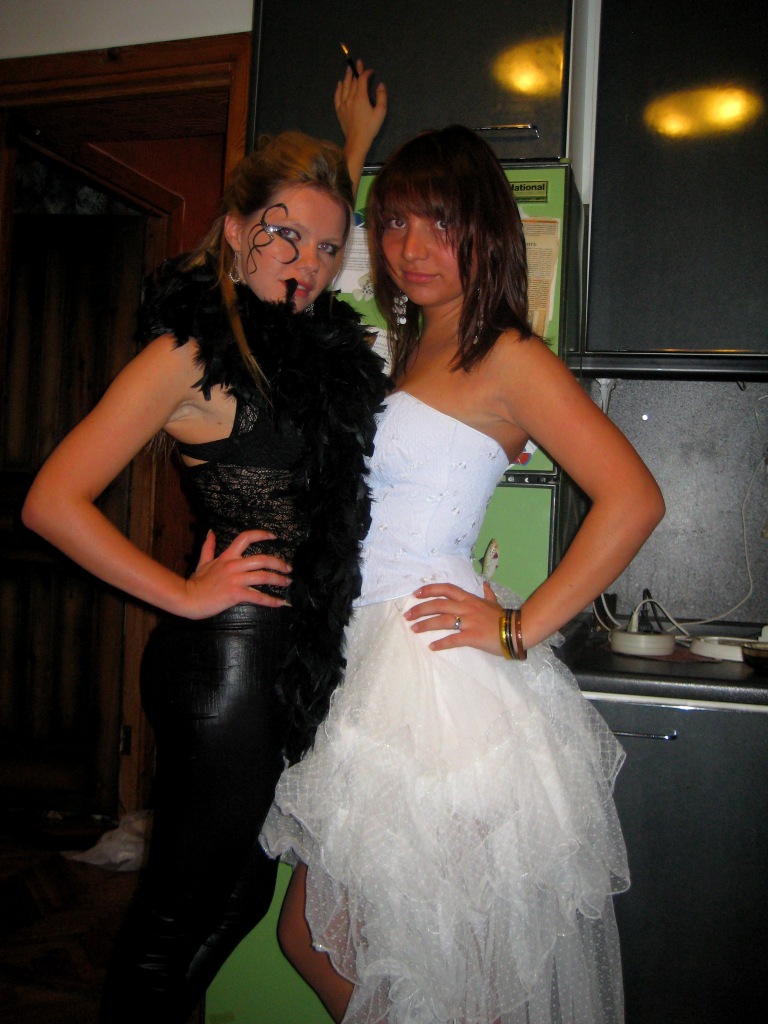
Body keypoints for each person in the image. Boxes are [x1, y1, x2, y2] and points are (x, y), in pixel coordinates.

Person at [261, 125, 666, 1024]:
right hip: (366, 661)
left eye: (438, 223)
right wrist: (353, 145)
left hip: (432, 678)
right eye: (395, 223)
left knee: (440, 964)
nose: (411, 247)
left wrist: (519, 629)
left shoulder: (509, 355)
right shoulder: (405, 349)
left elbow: (634, 499)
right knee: (336, 943)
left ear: (485, 230)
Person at [21, 64, 388, 1024]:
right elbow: (51, 500)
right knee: (177, 911)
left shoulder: (296, 337)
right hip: (223, 662)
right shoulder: (187, 354)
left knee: (242, 898)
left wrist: (350, 146)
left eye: (328, 247)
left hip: (289, 659)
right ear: (232, 229)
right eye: (281, 234)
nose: (307, 262)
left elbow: (310, 226)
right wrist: (182, 593)